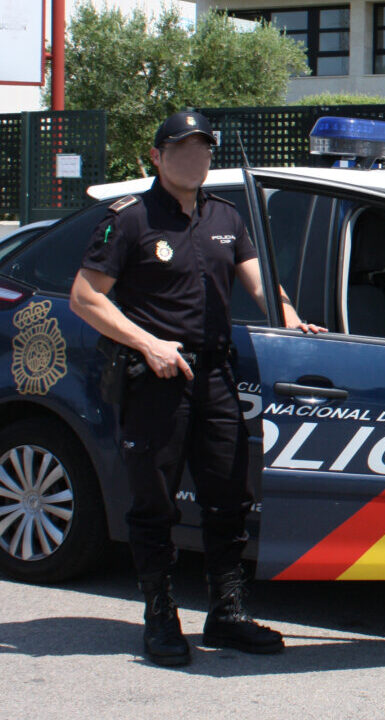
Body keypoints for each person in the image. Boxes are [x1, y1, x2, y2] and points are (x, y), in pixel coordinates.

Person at [69, 111, 323, 667]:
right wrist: (148, 344)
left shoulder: (227, 216)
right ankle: (159, 617)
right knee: (154, 502)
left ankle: (226, 614)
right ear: (158, 157)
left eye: (204, 148)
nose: (195, 157)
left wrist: (292, 320)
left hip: (216, 375)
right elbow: (85, 297)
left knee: (228, 495)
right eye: (182, 148)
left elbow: (258, 281)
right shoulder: (131, 220)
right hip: (157, 378)